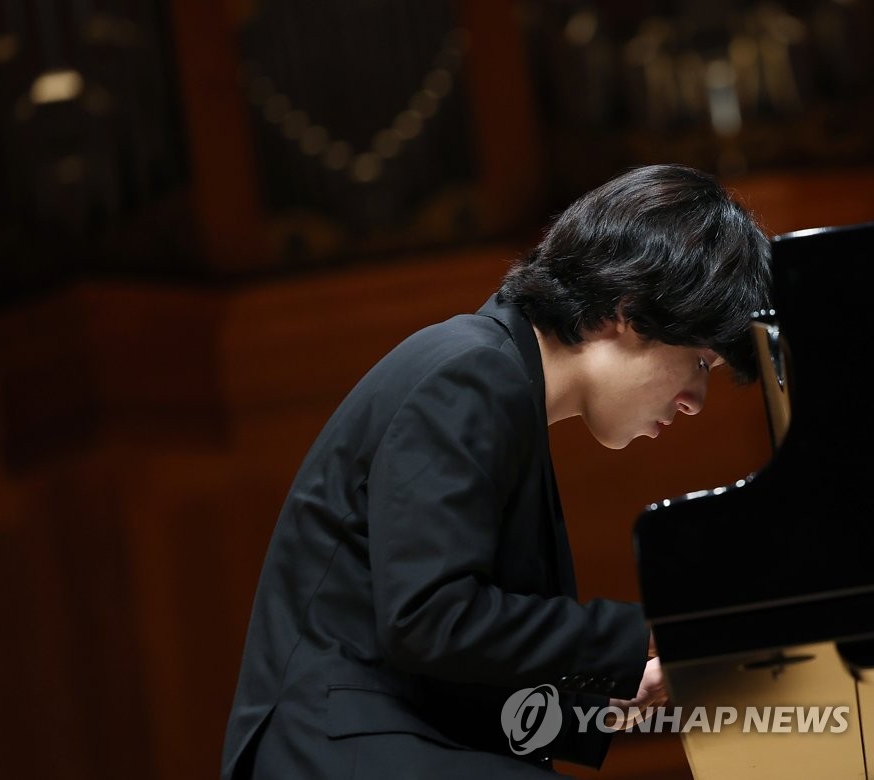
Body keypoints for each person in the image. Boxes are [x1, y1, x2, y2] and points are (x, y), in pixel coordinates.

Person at [220, 163, 771, 779]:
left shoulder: (498, 381)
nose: (696, 400)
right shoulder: (471, 373)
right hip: (332, 748)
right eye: (699, 362)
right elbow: (429, 617)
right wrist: (647, 636)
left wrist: (600, 705)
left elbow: (445, 655)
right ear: (630, 308)